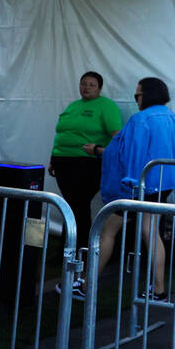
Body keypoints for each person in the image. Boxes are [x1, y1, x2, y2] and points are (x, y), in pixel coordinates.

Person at [93, 77, 175, 300]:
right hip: (164, 182)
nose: (136, 99)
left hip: (139, 184)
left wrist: (131, 182)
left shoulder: (140, 119)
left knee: (108, 231)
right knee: (151, 232)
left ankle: (87, 285)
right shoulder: (171, 116)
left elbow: (132, 153)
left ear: (148, 95)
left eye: (137, 95)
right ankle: (159, 289)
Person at [48, 71, 123, 250]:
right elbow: (62, 134)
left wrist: (101, 151)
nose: (86, 88)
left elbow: (118, 137)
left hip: (87, 163)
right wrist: (52, 158)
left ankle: (78, 248)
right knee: (70, 204)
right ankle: (70, 247)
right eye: (83, 84)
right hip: (62, 162)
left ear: (99, 88)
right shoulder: (73, 106)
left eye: (91, 85)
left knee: (78, 204)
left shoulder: (106, 106)